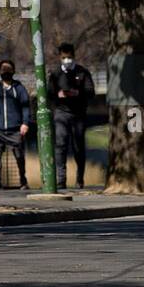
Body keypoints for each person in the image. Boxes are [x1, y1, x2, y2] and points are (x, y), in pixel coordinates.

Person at [47, 42, 95, 189]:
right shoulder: (55, 74)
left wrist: (77, 93)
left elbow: (90, 92)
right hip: (61, 112)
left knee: (78, 146)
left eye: (69, 57)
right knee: (60, 145)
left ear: (73, 56)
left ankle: (80, 178)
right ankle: (61, 179)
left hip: (78, 113)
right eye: (64, 57)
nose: (67, 60)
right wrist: (58, 94)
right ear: (60, 57)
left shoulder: (82, 72)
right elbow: (49, 93)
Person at [0, 59, 30, 190]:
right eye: (3, 70)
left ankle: (23, 180)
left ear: (13, 71)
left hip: (15, 129)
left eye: (8, 70)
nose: (5, 73)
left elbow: (25, 107)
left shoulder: (19, 88)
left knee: (19, 156)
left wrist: (25, 123)